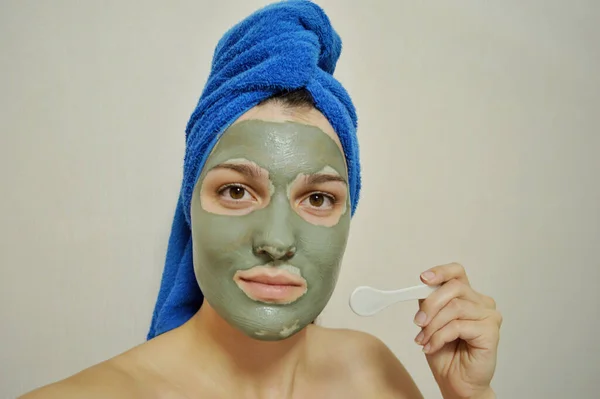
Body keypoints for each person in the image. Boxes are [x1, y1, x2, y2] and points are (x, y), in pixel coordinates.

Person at [20, 2, 502, 398]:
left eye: (317, 198)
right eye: (235, 191)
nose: (276, 241)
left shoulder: (371, 373)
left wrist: (469, 396)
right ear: (189, 208)